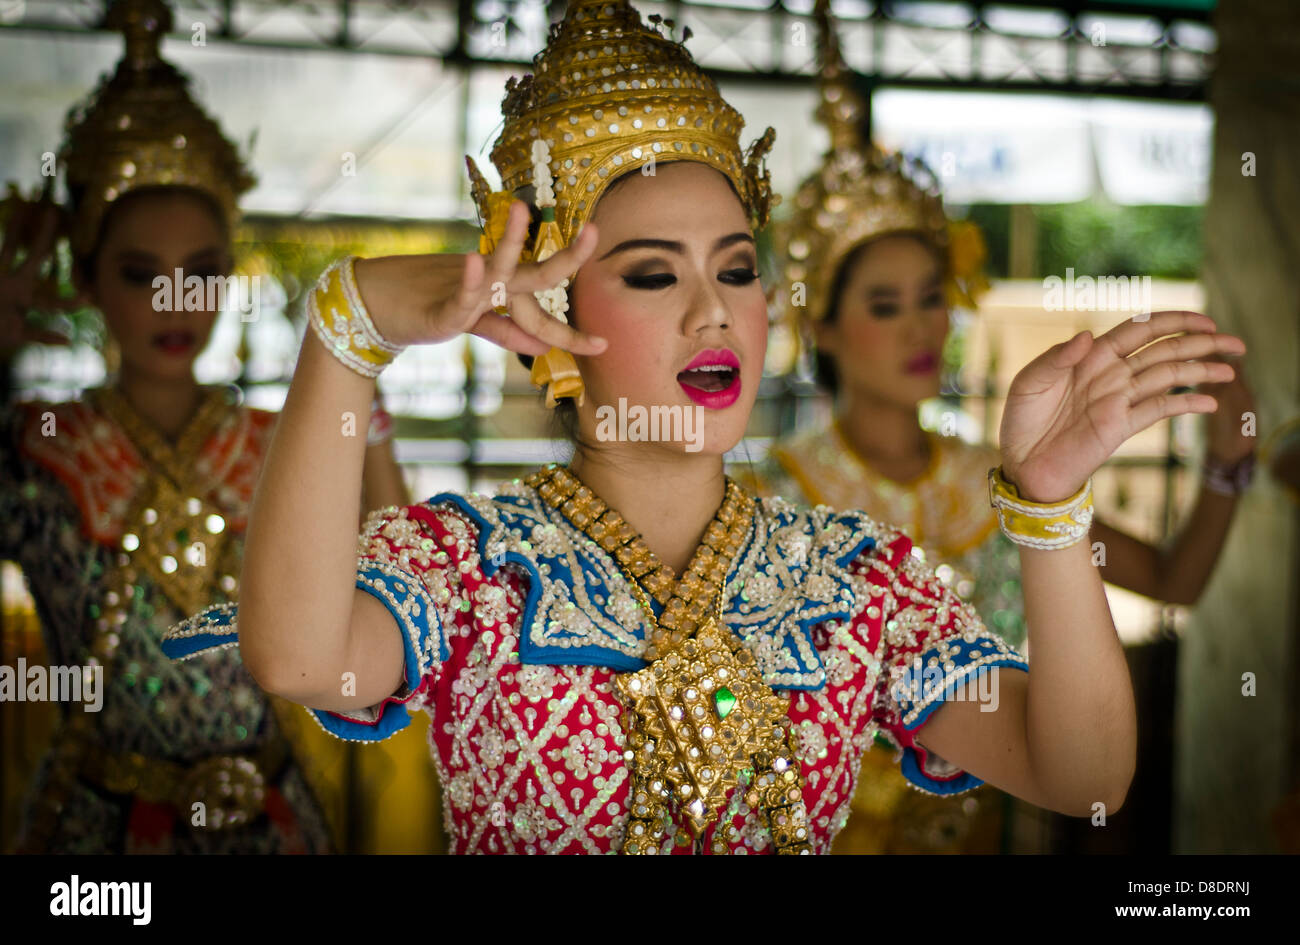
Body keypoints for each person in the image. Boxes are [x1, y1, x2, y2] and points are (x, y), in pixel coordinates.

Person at [162, 0, 1243, 854]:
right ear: (553, 312)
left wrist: (1048, 508)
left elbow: (1083, 780)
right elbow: (300, 658)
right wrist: (347, 327)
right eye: (649, 275)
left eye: (736, 268)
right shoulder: (474, 567)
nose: (713, 308)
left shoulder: (852, 581)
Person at [755, 0, 1258, 854]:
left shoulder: (1010, 475)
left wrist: (1226, 467)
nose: (921, 329)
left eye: (930, 300)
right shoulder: (775, 500)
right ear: (823, 328)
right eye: (885, 305)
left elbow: (1172, 581)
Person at [0, 0, 405, 853]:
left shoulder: (285, 436)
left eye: (203, 272)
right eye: (141, 274)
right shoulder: (39, 445)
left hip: (273, 817)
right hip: (100, 826)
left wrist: (365, 409)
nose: (177, 301)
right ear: (87, 278)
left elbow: (394, 581)